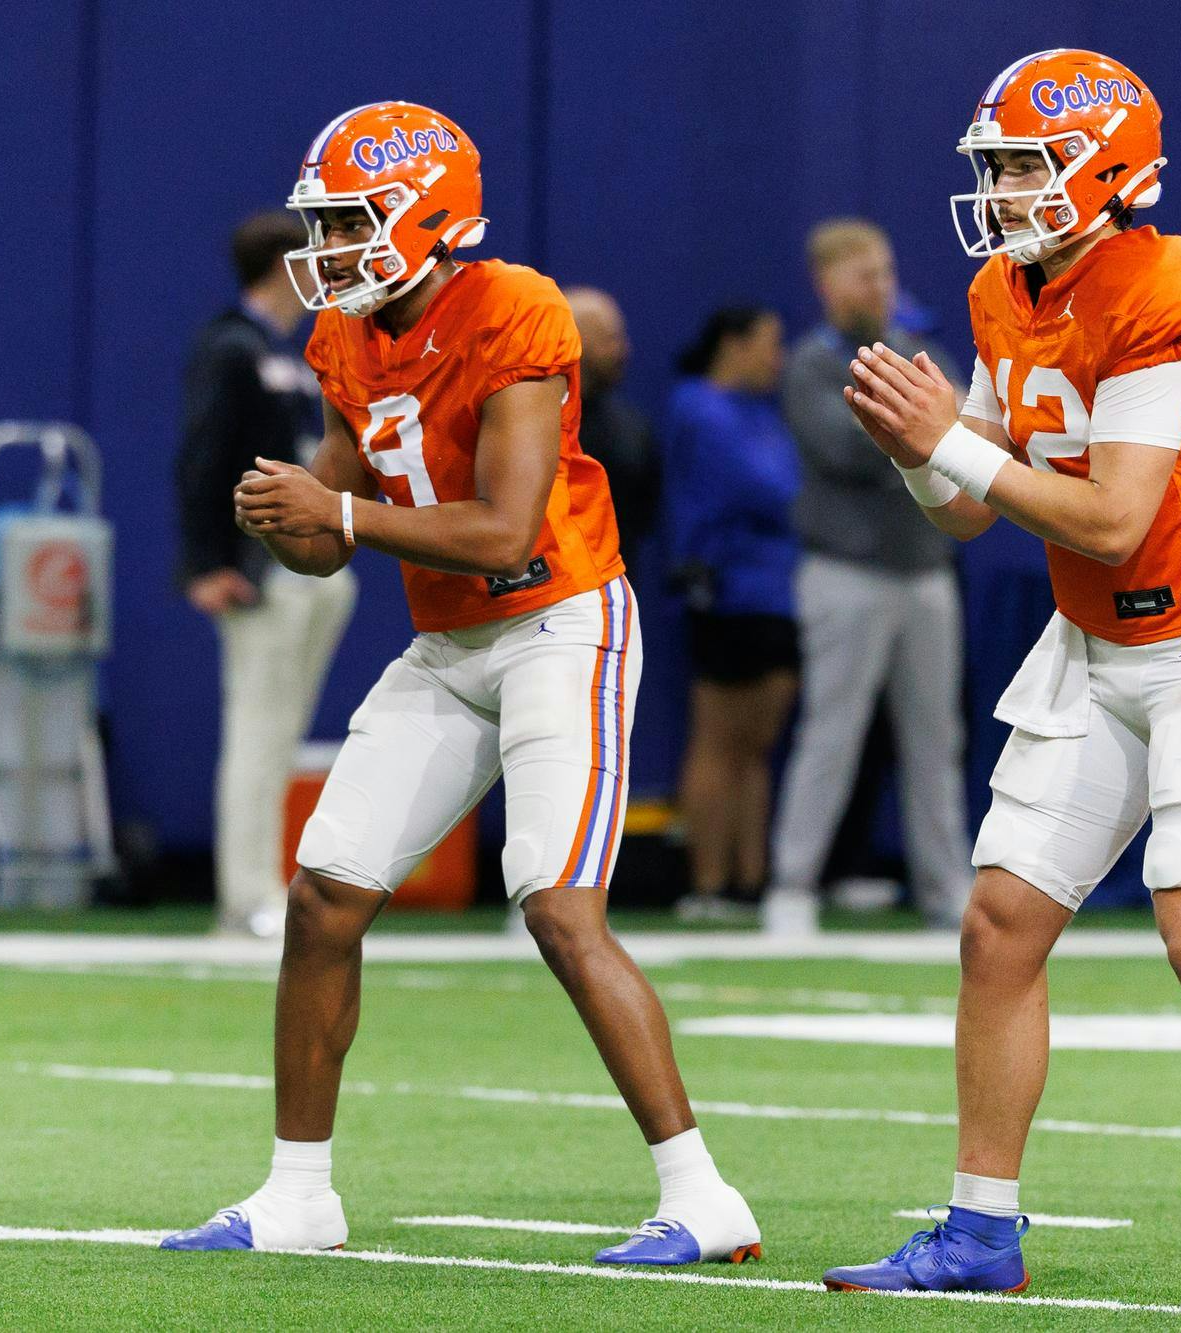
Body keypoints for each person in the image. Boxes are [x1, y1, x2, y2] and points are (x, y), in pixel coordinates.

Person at [159, 101, 761, 1268]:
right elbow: (336, 531)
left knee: (555, 904)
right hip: (449, 648)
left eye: (349, 223)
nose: (327, 250)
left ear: (427, 214)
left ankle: (701, 1194)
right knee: (325, 894)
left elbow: (497, 530)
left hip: (557, 624)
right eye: (322, 226)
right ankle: (297, 1194)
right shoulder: (344, 333)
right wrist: (286, 517)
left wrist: (334, 509)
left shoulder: (514, 307)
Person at [820, 52, 1181, 1304]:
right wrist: (921, 458)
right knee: (998, 928)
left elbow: (1116, 519)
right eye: (998, 165)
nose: (1006, 189)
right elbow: (969, 514)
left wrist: (952, 443)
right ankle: (978, 1230)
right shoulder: (999, 290)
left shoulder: (1163, 285)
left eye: (1027, 163)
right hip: (1089, 650)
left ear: (1107, 169)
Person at [766, 218, 973, 933]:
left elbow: (972, 427)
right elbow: (845, 448)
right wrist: (924, 440)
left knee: (935, 740)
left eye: (885, 272)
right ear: (830, 284)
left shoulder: (919, 350)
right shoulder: (812, 363)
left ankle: (948, 890)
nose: (881, 286)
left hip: (925, 573)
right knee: (832, 733)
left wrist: (920, 438)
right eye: (865, 275)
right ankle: (792, 887)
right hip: (844, 574)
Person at [174, 211, 357, 938]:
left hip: (309, 567)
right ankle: (244, 894)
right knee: (256, 729)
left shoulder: (285, 350)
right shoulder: (229, 346)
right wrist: (207, 562)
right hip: (259, 571)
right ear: (284, 262)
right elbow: (201, 458)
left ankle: (267, 884)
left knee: (282, 734)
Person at [662, 308, 801, 922]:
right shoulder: (699, 407)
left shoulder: (762, 412)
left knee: (757, 746)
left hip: (776, 594)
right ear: (732, 344)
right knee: (718, 741)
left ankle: (751, 884)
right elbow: (771, 486)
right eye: (771, 344)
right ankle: (708, 885)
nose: (780, 359)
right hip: (726, 593)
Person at [564, 287, 660, 568]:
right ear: (574, 340)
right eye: (610, 340)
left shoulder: (632, 428)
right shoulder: (532, 425)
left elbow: (644, 515)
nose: (623, 351)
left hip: (615, 581)